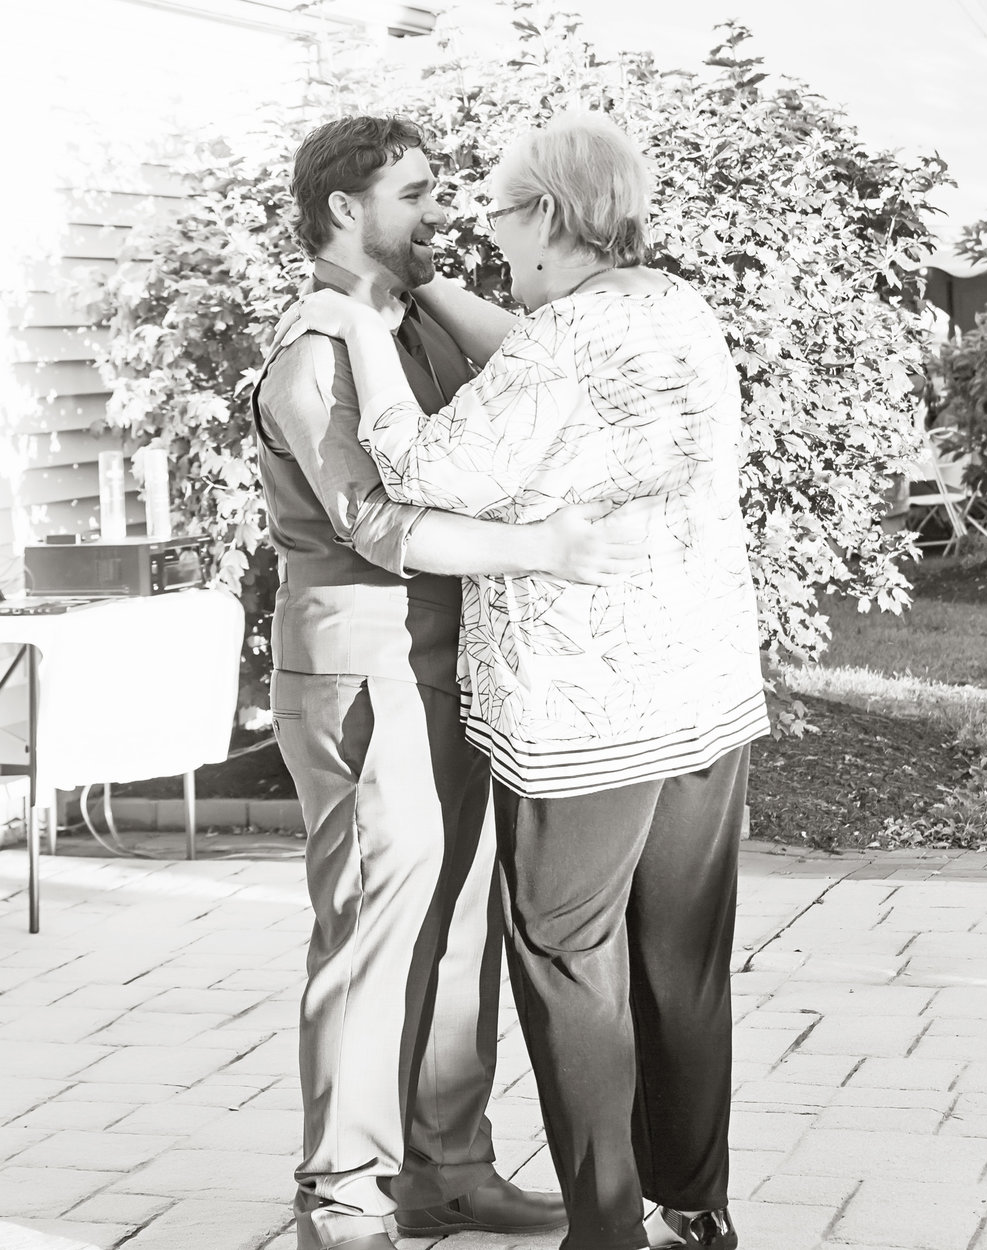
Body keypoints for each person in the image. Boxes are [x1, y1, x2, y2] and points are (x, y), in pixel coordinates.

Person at [277, 112, 771, 1250]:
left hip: (587, 712)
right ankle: (692, 1207)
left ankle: (606, 1227)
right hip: (703, 692)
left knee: (561, 950)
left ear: (547, 215)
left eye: (494, 207)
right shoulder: (672, 307)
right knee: (681, 959)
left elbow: (415, 469)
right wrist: (422, 290)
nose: (473, 224)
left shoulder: (554, 340)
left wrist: (356, 330)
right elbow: (537, 352)